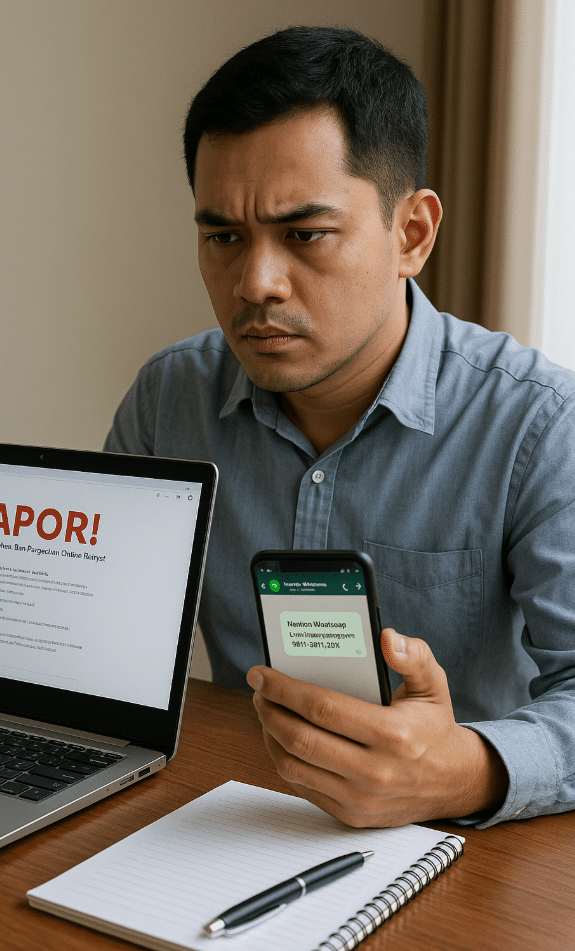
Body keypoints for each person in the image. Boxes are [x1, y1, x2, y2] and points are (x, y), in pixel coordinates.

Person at [105, 26, 575, 829]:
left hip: (464, 855)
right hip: (230, 822)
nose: (255, 283)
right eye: (223, 236)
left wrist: (470, 769)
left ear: (412, 235)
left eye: (304, 235)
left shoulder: (540, 424)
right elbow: (108, 644)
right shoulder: (167, 400)